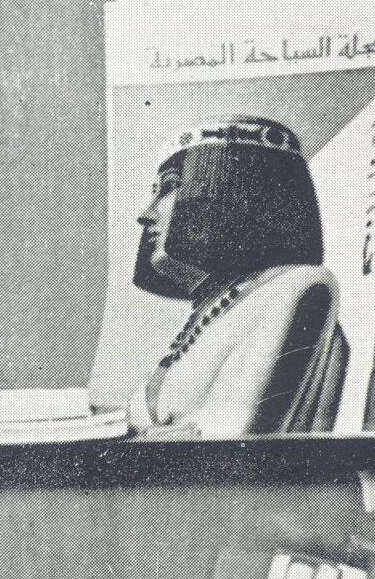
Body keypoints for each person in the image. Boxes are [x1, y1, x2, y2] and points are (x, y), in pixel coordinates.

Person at [125, 116, 344, 439]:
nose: (145, 214)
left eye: (170, 188)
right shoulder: (210, 310)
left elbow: (234, 438)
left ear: (230, 191)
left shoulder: (298, 286)